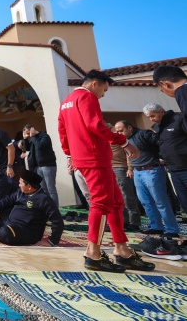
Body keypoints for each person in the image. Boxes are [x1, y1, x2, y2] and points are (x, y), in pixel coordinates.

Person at [58, 69, 154, 272]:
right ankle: (93, 253)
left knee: (116, 202)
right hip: (94, 157)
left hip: (87, 157)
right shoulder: (87, 97)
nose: (103, 94)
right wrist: (124, 142)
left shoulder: (67, 101)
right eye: (104, 89)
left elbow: (62, 131)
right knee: (101, 203)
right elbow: (95, 125)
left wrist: (70, 155)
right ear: (95, 84)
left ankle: (122, 249)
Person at [114, 120, 177, 236]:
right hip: (137, 172)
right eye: (117, 131)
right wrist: (130, 168)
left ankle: (171, 229)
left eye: (121, 130)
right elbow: (129, 155)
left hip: (152, 170)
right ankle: (156, 226)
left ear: (129, 128)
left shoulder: (145, 134)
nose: (119, 133)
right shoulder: (124, 140)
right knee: (145, 201)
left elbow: (162, 143)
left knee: (160, 201)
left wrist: (162, 157)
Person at [0, 170, 64, 246]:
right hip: (10, 223)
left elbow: (58, 221)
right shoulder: (20, 193)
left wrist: (52, 242)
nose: (19, 185)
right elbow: (6, 201)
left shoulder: (44, 199)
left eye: (21, 183)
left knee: (5, 232)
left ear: (29, 187)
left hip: (26, 231)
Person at [143, 102, 187, 221]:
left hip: (185, 166)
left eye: (153, 116)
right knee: (184, 201)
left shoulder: (178, 120)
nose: (151, 119)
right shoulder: (157, 127)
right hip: (173, 169)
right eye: (149, 117)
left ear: (161, 112)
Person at [108, 122, 142, 232]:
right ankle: (124, 221)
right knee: (116, 197)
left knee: (126, 196)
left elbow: (128, 153)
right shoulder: (101, 135)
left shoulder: (116, 134)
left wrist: (130, 168)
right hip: (109, 169)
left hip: (121, 169)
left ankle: (134, 222)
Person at [23, 124, 59, 207]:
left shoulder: (44, 136)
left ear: (32, 129)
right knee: (43, 190)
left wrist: (32, 137)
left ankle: (54, 209)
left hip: (48, 166)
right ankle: (47, 209)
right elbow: (27, 149)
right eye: (26, 134)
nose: (28, 135)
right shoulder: (33, 139)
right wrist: (25, 139)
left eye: (28, 133)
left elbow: (40, 146)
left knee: (51, 189)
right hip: (39, 167)